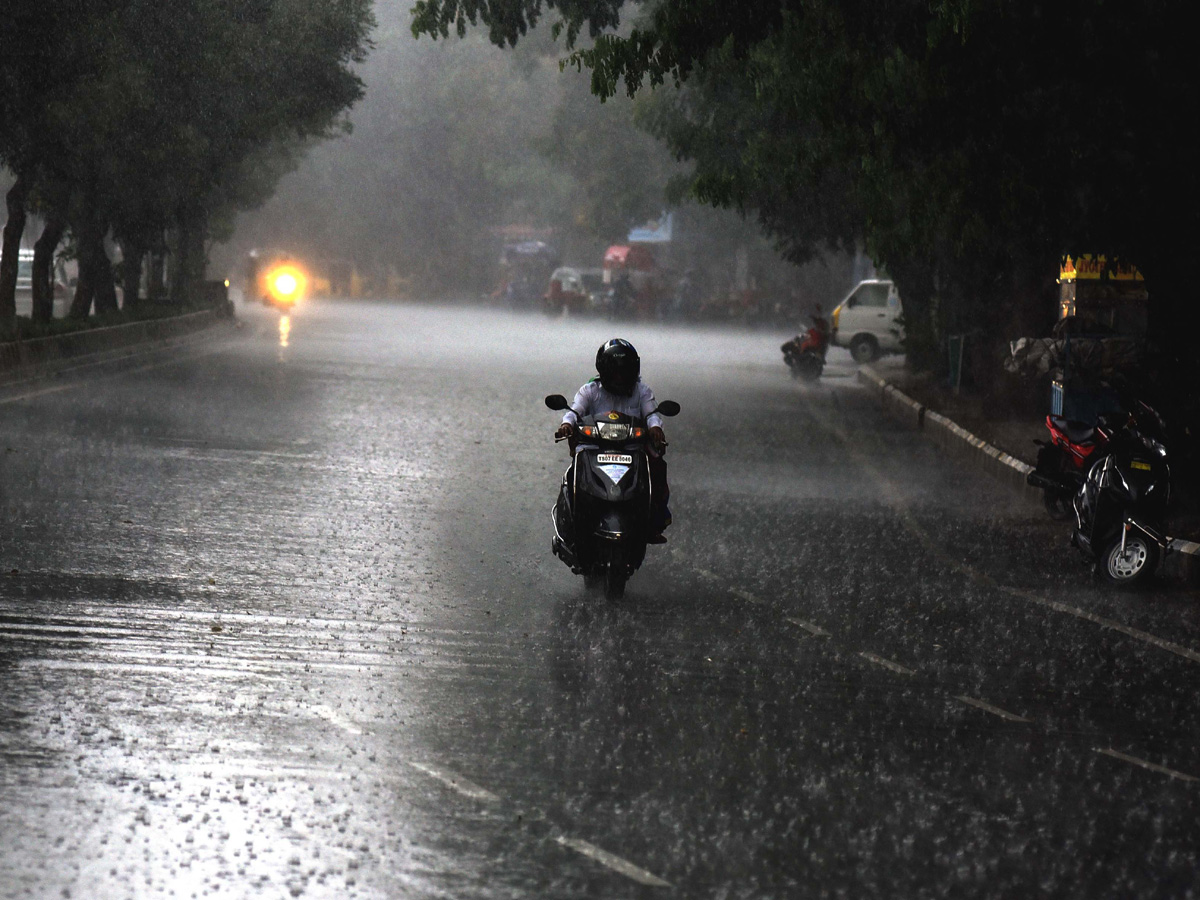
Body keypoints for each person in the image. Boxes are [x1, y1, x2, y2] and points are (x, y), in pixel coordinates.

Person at [555, 339, 672, 542]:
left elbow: (652, 414)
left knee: (657, 468)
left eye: (625, 371)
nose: (620, 377)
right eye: (615, 371)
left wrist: (654, 428)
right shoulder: (589, 390)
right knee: (574, 475)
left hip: (632, 448)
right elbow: (574, 411)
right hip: (593, 447)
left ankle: (655, 520)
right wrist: (566, 424)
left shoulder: (642, 391)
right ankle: (570, 521)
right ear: (604, 370)